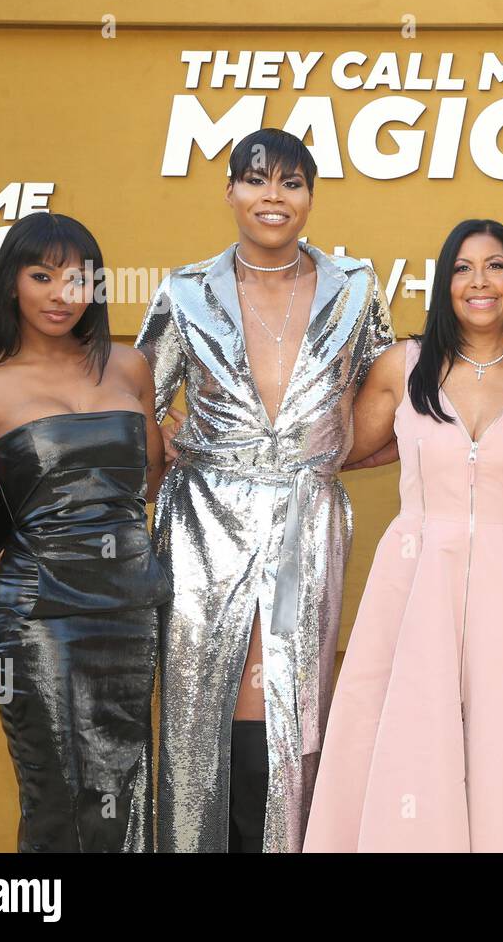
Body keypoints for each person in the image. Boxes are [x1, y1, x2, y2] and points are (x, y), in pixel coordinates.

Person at [135, 128, 394, 853]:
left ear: (311, 197)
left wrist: (332, 456)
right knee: (194, 710)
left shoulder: (356, 287)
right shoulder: (184, 292)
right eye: (256, 180)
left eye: (291, 183)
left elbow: (394, 392)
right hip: (201, 524)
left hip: (307, 522)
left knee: (289, 707)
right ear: (230, 192)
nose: (272, 197)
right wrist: (187, 445)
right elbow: (138, 398)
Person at [303, 219, 503, 852]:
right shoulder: (402, 365)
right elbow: (341, 450)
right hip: (416, 577)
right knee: (411, 733)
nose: (480, 282)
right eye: (463, 268)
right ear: (445, 283)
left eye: (496, 266)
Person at [0, 212, 170, 851]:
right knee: (56, 798)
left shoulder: (130, 367)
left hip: (130, 616)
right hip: (39, 612)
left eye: (79, 278)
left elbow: (156, 477)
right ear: (11, 284)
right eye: (42, 275)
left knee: (121, 802)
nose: (63, 294)